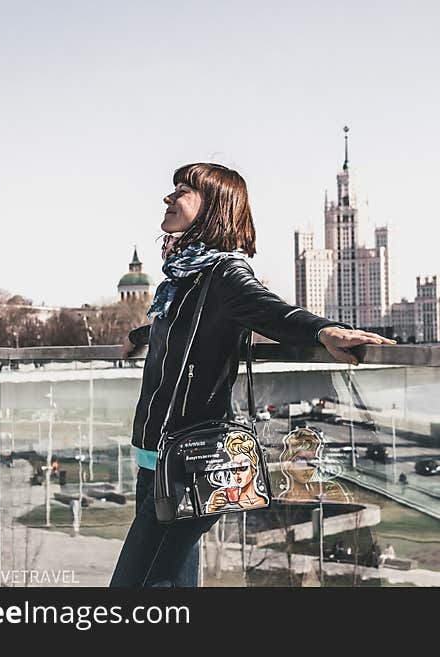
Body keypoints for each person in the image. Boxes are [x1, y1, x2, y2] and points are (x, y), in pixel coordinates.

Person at [109, 163, 396, 588]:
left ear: (213, 208)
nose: (168, 198)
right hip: (156, 463)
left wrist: (322, 330)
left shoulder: (224, 273)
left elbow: (269, 309)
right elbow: (178, 325)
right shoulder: (185, 277)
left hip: (188, 466)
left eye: (182, 191)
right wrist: (139, 334)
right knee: (170, 582)